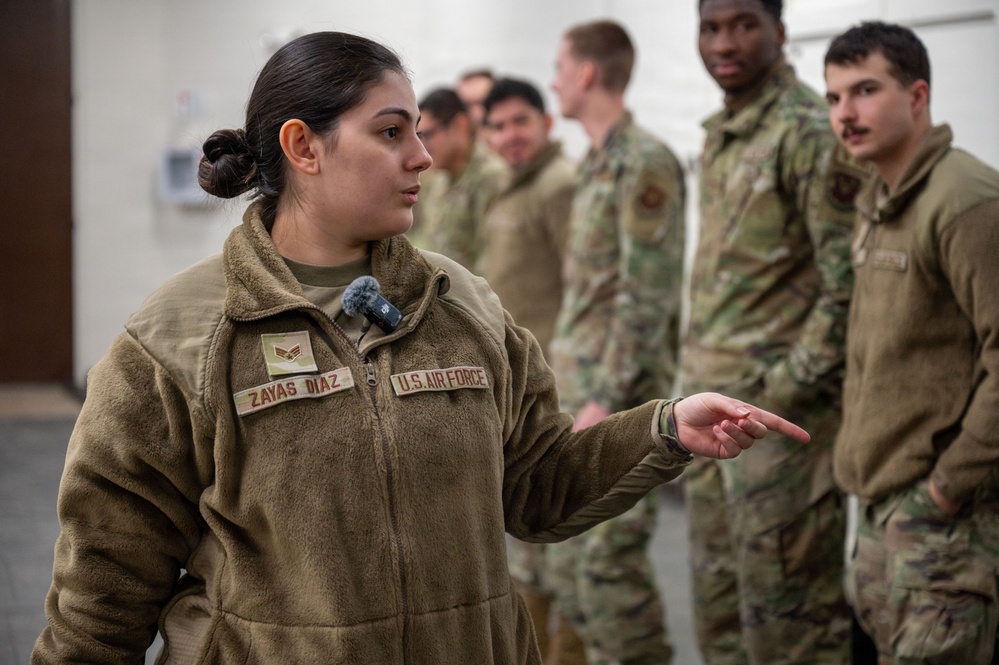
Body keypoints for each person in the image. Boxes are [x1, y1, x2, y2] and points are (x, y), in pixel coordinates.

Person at [30, 30, 809, 665]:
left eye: (419, 132)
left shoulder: (463, 305)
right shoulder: (181, 337)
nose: (422, 158)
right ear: (303, 146)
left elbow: (536, 485)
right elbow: (104, 587)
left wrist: (664, 427)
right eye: (390, 132)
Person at [681, 1, 869, 663]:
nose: (723, 42)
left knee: (792, 631)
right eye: (710, 27)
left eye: (742, 24)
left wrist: (781, 389)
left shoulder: (807, 130)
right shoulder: (722, 132)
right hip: (711, 420)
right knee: (721, 618)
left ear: (779, 31)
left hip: (777, 430)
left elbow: (847, 286)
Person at [824, 21, 999, 663]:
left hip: (945, 524)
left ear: (918, 95)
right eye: (835, 97)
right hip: (881, 515)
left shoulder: (964, 200)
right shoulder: (880, 198)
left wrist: (947, 487)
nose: (847, 112)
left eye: (865, 91)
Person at [546, 19, 686, 665]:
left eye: (559, 67)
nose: (553, 80)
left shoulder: (644, 160)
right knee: (574, 576)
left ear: (587, 74)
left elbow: (645, 297)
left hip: (618, 406)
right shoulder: (594, 162)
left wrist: (603, 399)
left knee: (608, 573)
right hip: (579, 394)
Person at [479, 76, 584, 664]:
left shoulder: (558, 186)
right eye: (496, 125)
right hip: (519, 390)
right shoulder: (512, 188)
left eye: (520, 121)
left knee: (563, 560)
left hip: (558, 391)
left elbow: (588, 289)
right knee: (528, 558)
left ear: (546, 122)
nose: (508, 135)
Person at [408, 87, 510, 270]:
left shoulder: (491, 178)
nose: (422, 147)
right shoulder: (439, 177)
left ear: (459, 126)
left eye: (427, 135)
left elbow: (492, 260)